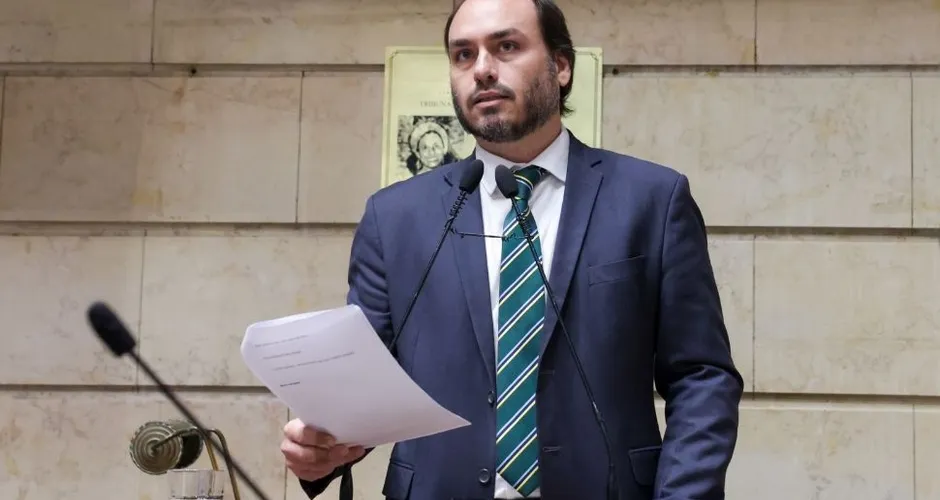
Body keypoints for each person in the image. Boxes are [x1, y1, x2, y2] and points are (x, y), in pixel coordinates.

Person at [280, 0, 744, 498]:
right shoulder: (394, 218)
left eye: (506, 46)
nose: (482, 69)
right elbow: (362, 389)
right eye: (463, 54)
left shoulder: (651, 200)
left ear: (561, 66)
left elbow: (701, 377)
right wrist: (321, 449)